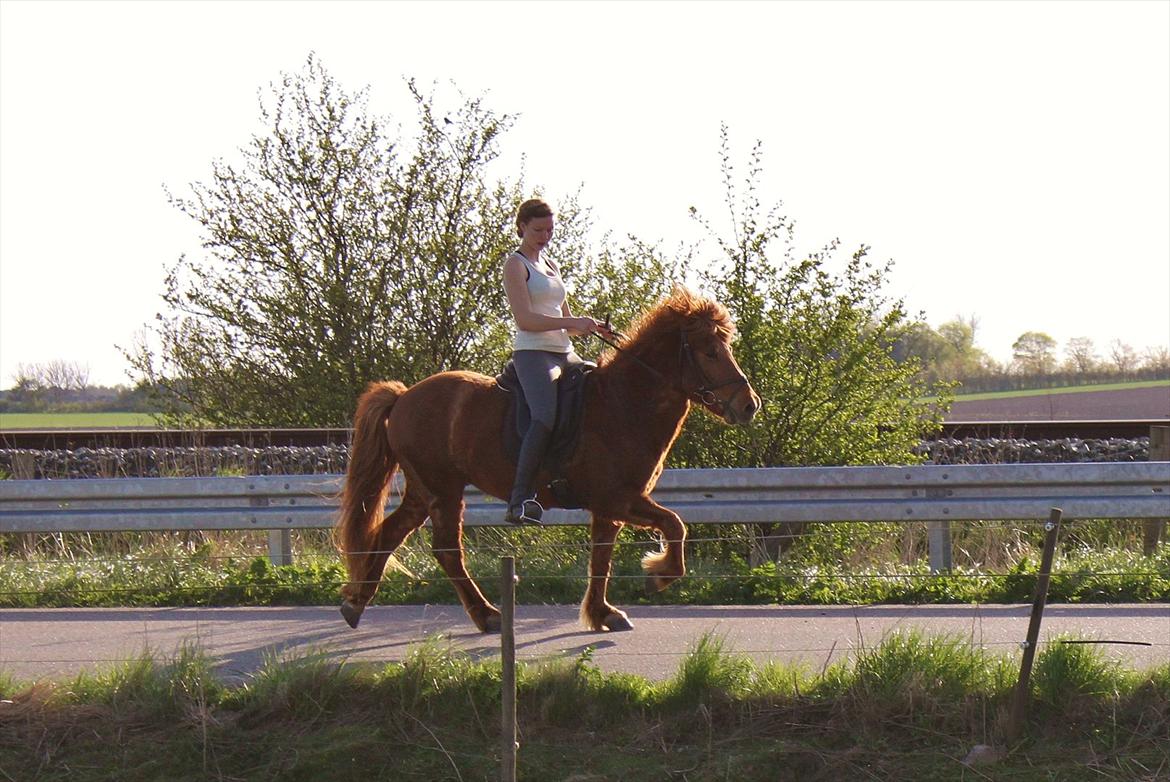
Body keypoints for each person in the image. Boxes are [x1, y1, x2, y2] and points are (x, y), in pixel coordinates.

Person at [501, 198, 614, 525]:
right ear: (522, 226)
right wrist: (572, 322)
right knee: (545, 416)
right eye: (538, 230)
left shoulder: (551, 266)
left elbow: (566, 321)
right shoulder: (516, 264)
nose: (544, 236)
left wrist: (591, 327)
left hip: (565, 352)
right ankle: (519, 499)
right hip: (534, 353)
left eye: (549, 230)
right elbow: (526, 320)